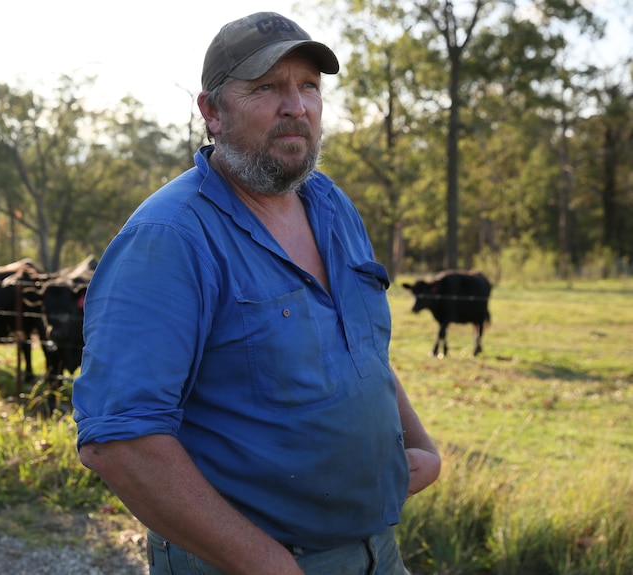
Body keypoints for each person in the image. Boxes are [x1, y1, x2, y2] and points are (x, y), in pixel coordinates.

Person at [72, 11, 441, 575]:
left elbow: (361, 352)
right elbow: (121, 442)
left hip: (375, 552)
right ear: (212, 112)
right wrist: (269, 564)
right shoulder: (170, 238)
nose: (296, 106)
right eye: (267, 87)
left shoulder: (332, 206)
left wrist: (421, 447)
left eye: (309, 86)